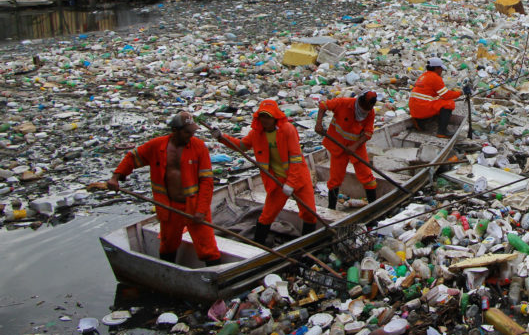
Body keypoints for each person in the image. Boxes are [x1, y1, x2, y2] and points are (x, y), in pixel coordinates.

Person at [106, 112, 221, 265]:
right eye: (187, 132)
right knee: (168, 246)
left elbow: (207, 181)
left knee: (208, 248)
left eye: (192, 132)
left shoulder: (198, 147)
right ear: (175, 131)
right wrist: (115, 177)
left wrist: (201, 210)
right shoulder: (157, 146)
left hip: (194, 206)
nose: (190, 135)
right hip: (168, 207)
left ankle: (217, 280)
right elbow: (132, 157)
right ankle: (167, 273)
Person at [211, 99, 318, 243]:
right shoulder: (257, 133)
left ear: (275, 117)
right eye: (262, 116)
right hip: (277, 179)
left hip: (298, 177)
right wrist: (222, 138)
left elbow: (296, 159)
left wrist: (291, 183)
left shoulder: (287, 130)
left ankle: (307, 245)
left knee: (309, 212)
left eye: (268, 116)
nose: (265, 120)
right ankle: (258, 245)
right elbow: (241, 145)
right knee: (267, 215)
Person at [316, 90, 378, 209]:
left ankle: (374, 207)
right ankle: (331, 209)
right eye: (364, 108)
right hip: (338, 146)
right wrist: (318, 123)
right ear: (360, 101)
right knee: (335, 179)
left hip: (357, 148)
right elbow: (323, 105)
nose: (365, 111)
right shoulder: (343, 103)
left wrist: (354, 146)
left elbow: (368, 133)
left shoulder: (370, 113)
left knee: (367, 177)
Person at [409, 56, 462, 138]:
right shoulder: (435, 78)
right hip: (422, 108)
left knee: (439, 100)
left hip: (414, 109)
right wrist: (460, 93)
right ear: (436, 68)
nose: (441, 71)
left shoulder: (423, 76)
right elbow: (446, 95)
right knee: (449, 103)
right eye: (441, 68)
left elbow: (433, 93)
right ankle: (442, 132)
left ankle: (420, 123)